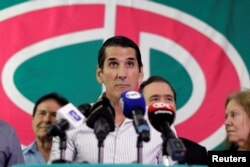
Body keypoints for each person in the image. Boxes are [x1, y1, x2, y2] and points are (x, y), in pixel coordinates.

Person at [49, 36, 163, 164]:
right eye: (113, 64)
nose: (122, 74)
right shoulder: (73, 121)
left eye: (129, 64)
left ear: (140, 74)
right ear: (99, 74)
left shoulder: (159, 122)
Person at [139, 75, 208, 165]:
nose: (163, 103)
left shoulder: (198, 153)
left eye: (169, 99)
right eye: (155, 99)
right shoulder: (133, 149)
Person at [23, 92, 68, 164]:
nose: (46, 119)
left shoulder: (76, 158)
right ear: (33, 119)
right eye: (42, 113)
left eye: (54, 114)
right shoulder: (19, 159)